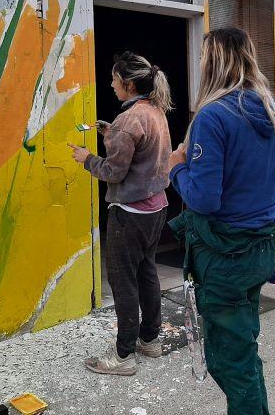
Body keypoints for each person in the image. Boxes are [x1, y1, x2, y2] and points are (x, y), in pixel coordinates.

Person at [167, 27, 275, 415]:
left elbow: (204, 199)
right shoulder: (271, 110)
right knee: (242, 349)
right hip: (259, 252)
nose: (200, 63)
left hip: (225, 257)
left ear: (214, 62)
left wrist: (177, 168)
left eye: (204, 56)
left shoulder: (213, 116)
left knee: (230, 363)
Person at [69, 51, 172, 376]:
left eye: (114, 80)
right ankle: (149, 339)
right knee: (146, 272)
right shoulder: (153, 110)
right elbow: (138, 151)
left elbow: (114, 171)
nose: (111, 85)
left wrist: (87, 158)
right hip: (157, 208)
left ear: (127, 84)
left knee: (123, 280)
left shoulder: (129, 121)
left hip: (131, 213)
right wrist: (110, 133)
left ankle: (123, 356)